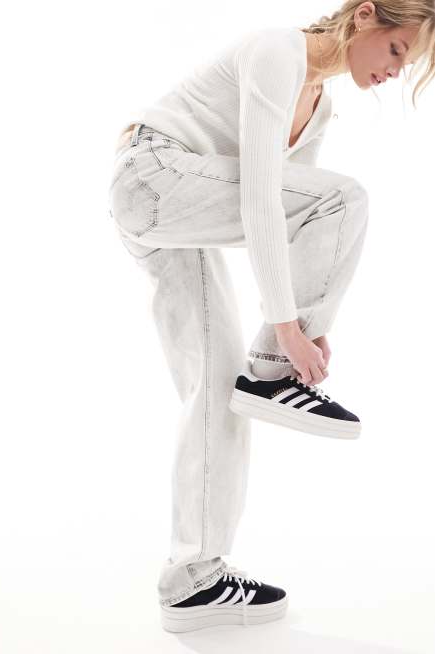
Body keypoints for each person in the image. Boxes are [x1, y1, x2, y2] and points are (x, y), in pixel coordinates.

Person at [107, 0, 435, 633]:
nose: (396, 71)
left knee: (217, 389)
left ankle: (193, 579)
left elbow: (295, 230)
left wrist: (312, 326)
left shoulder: (321, 105)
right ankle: (270, 371)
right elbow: (262, 195)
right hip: (154, 175)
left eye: (407, 63)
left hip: (178, 209)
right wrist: (287, 333)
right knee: (347, 198)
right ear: (365, 17)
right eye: (397, 49)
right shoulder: (277, 50)